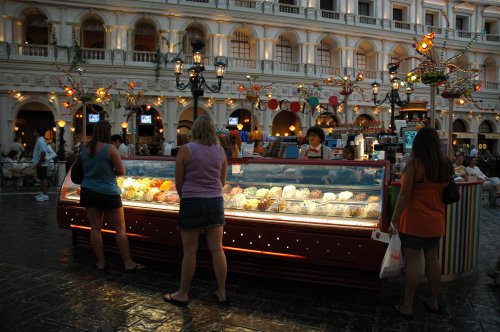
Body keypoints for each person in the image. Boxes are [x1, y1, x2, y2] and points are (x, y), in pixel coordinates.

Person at [163, 115, 228, 306]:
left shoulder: (186, 149)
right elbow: (222, 182)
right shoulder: (220, 151)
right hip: (215, 201)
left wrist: (187, 197)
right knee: (217, 249)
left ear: (195, 130)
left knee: (190, 251)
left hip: (192, 201)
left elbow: (178, 181)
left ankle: (183, 293)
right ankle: (222, 292)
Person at [390, 127, 453, 318]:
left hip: (415, 221)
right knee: (433, 261)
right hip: (436, 221)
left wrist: (393, 221)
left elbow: (404, 195)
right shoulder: (445, 164)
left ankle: (407, 306)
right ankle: (433, 302)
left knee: (412, 263)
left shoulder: (414, 165)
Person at [80, 121, 144, 272]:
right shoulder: (110, 149)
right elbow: (121, 171)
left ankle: (101, 262)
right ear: (107, 133)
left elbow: (83, 168)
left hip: (89, 191)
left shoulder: (85, 148)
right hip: (108, 192)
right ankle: (128, 263)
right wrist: (108, 173)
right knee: (120, 229)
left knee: (95, 228)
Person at [32, 128, 50, 201]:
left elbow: (43, 152)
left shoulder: (40, 140)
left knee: (43, 179)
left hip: (42, 164)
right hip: (41, 163)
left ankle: (45, 195)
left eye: (34, 131)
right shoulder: (40, 140)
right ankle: (43, 193)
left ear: (37, 132)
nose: (33, 133)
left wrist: (39, 162)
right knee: (42, 179)